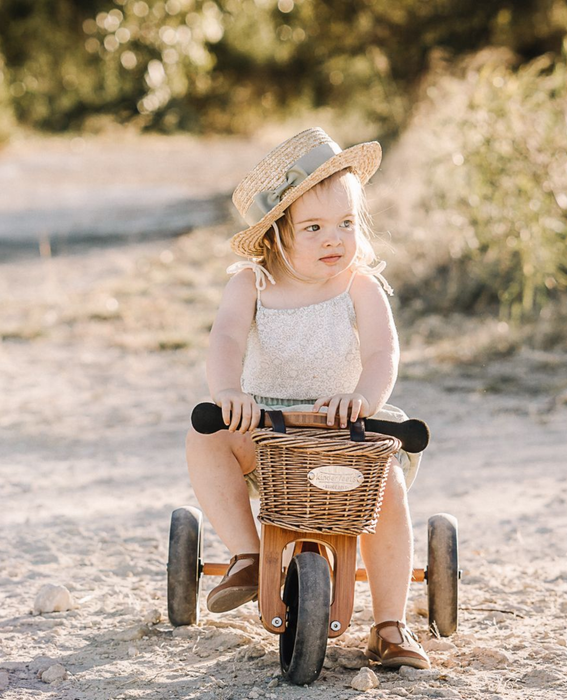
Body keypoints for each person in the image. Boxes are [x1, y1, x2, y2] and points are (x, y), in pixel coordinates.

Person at [185, 127, 429, 669]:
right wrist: (228, 393)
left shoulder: (360, 285)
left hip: (345, 426)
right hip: (266, 427)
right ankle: (248, 555)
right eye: (313, 227)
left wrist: (362, 398)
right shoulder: (252, 283)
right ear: (276, 235)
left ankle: (389, 624)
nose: (333, 240)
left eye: (345, 223)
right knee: (204, 442)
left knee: (386, 484)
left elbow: (382, 354)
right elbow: (225, 337)